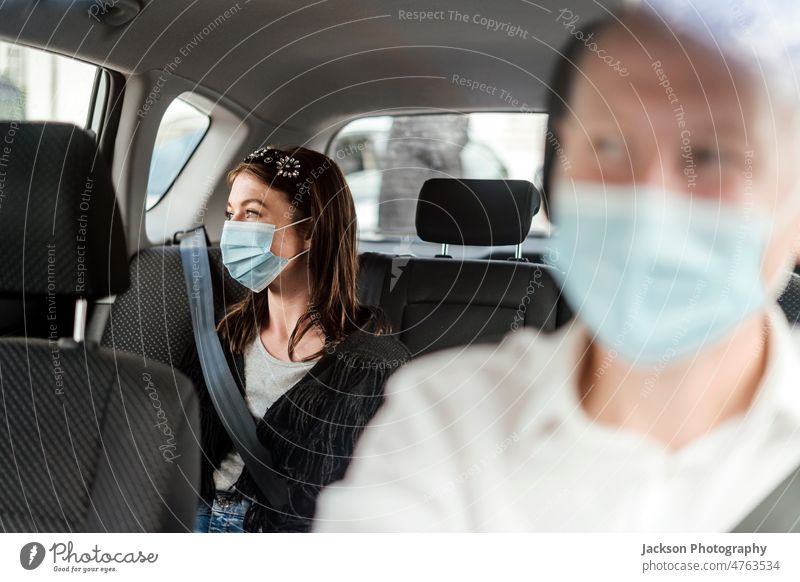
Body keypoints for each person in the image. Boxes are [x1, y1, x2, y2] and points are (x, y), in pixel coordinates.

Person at [313, 4, 800, 532]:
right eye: (608, 145)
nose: (649, 203)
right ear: (556, 185)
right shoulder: (442, 418)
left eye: (713, 155)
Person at [192, 145, 410, 533]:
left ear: (310, 230)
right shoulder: (225, 336)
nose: (233, 229)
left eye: (253, 213)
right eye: (230, 214)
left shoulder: (373, 365)